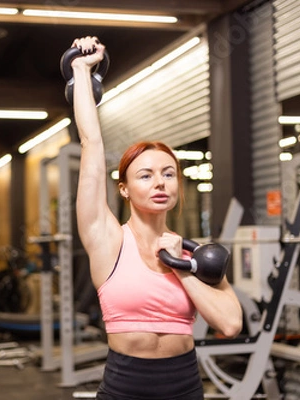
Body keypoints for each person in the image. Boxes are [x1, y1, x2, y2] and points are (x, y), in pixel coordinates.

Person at [71, 36, 243, 399]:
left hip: (184, 386)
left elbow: (229, 324)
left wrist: (183, 269)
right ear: (124, 189)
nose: (160, 182)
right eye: (145, 175)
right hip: (124, 387)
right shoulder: (108, 241)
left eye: (168, 173)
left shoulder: (195, 258)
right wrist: (81, 70)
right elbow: (92, 145)